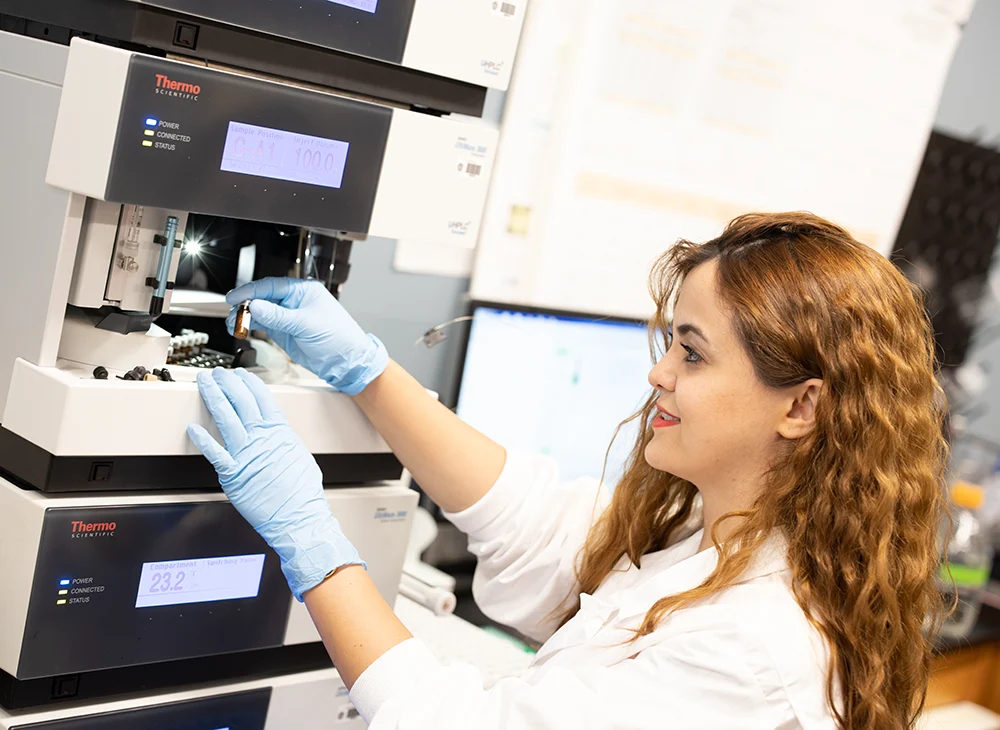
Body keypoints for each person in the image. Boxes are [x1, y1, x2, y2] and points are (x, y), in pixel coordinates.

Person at [187, 212, 947, 730]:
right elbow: (543, 527)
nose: (660, 376)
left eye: (692, 352)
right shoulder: (711, 531)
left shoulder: (756, 648)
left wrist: (309, 541)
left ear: (802, 408)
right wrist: (369, 373)